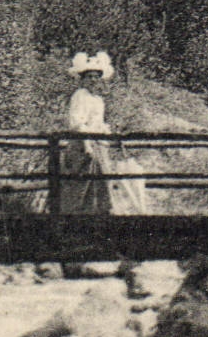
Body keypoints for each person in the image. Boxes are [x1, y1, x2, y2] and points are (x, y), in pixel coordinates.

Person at [59, 51, 150, 215]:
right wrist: (87, 143)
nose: (93, 80)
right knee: (85, 180)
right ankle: (78, 213)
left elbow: (99, 123)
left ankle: (100, 212)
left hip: (98, 144)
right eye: (89, 77)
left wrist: (107, 135)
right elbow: (77, 122)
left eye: (96, 77)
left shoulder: (98, 100)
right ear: (82, 79)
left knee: (103, 177)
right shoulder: (80, 95)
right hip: (82, 143)